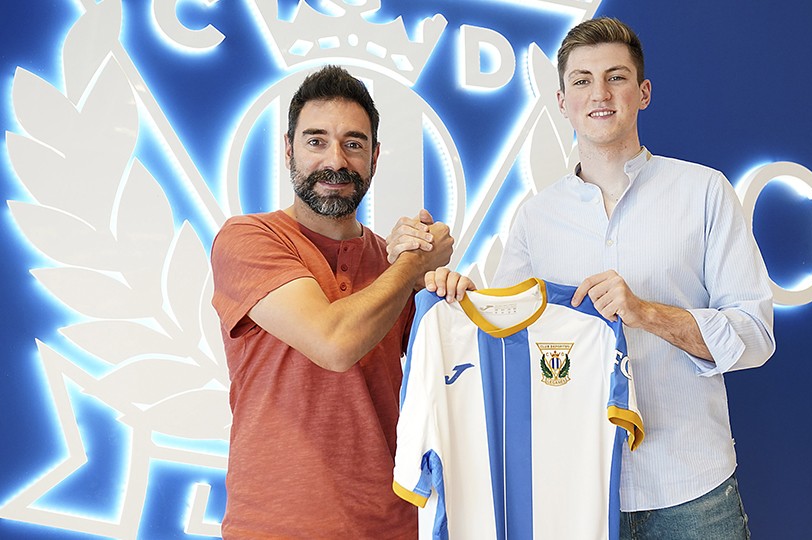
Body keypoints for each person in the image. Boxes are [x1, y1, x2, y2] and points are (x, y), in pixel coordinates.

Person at [433, 16, 775, 539]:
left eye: (616, 77)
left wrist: (647, 313)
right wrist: (460, 298)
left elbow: (754, 337)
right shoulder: (535, 218)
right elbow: (507, 342)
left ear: (643, 93)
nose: (600, 93)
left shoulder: (705, 193)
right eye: (583, 80)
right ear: (562, 99)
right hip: (574, 493)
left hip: (690, 489)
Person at [210, 65, 453, 539]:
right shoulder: (248, 238)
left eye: (353, 143)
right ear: (288, 150)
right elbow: (334, 342)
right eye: (316, 141)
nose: (335, 160)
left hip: (392, 524)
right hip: (275, 524)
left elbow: (443, 378)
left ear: (375, 157)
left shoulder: (392, 260)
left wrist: (441, 285)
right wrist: (409, 271)